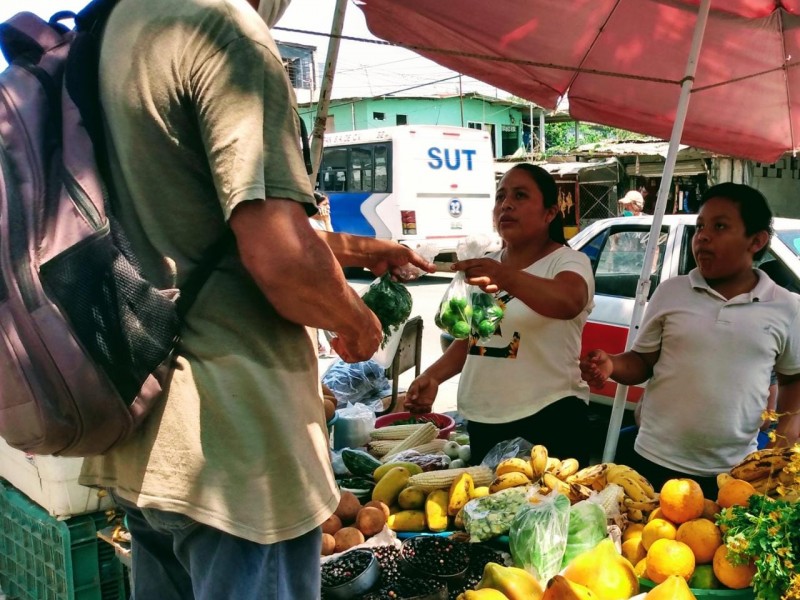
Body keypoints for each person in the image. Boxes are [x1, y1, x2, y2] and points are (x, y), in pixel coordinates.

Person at [78, 1, 434, 599]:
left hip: (143, 427)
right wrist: (357, 320)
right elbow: (279, 257)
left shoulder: (115, 26)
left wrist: (354, 248)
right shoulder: (222, 27)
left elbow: (194, 232)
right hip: (234, 450)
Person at [581, 183, 800, 498]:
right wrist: (612, 363)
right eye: (700, 227)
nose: (703, 236)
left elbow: (793, 381)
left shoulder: (786, 306)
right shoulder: (672, 292)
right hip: (652, 461)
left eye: (720, 226)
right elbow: (642, 363)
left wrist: (783, 442)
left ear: (756, 240)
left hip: (733, 474)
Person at [404, 164, 595, 465]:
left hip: (550, 417)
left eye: (520, 196)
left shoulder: (569, 261)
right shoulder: (487, 265)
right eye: (500, 196)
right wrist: (433, 376)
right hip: (486, 419)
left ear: (550, 213)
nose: (506, 204)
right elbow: (480, 339)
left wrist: (504, 277)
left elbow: (569, 300)